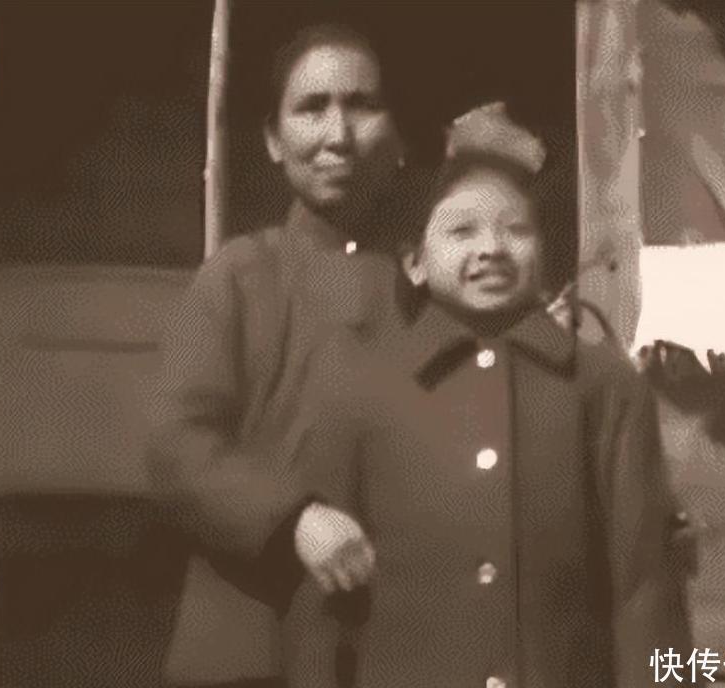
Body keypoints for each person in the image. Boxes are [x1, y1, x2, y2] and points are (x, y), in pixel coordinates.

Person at [270, 105, 693, 687]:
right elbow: (320, 603)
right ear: (415, 263)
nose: (492, 247)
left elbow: (644, 589)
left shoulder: (603, 386)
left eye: (516, 230)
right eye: (461, 231)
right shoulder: (362, 387)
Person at [146, 21, 414, 688]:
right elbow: (176, 446)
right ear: (273, 139)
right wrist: (294, 518)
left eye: (362, 105)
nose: (338, 134)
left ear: (396, 132)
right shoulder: (239, 276)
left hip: (399, 642)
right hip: (256, 641)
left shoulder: (429, 288)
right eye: (311, 108)